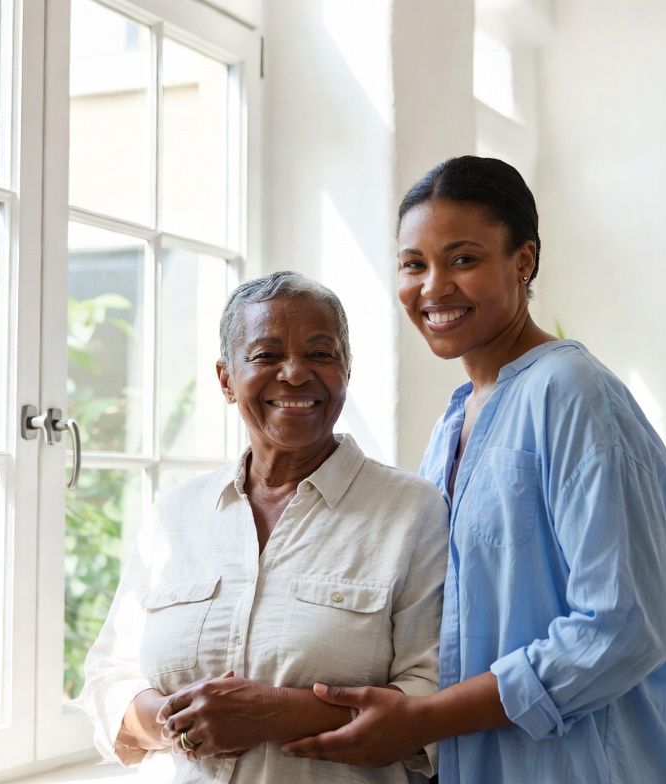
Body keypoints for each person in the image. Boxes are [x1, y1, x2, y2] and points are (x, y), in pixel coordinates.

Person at [282, 156, 666, 783]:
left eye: (463, 259)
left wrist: (424, 720)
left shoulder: (574, 394)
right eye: (413, 264)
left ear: (524, 261)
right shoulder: (454, 421)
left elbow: (622, 627)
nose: (432, 288)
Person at [79, 271, 447, 783]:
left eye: (321, 354)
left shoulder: (412, 510)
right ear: (226, 379)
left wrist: (275, 712)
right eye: (266, 355)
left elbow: (432, 703)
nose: (295, 374)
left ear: (345, 370)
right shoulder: (176, 513)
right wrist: (182, 727)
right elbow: (108, 678)